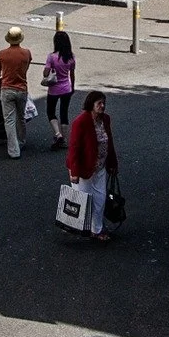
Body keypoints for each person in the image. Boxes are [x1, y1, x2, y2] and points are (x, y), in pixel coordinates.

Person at [66, 90, 120, 243]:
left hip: (100, 167)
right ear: (91, 105)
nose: (102, 106)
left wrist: (112, 163)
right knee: (84, 200)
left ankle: (96, 229)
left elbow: (109, 143)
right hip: (84, 168)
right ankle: (82, 227)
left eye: (103, 103)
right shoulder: (81, 122)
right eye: (99, 103)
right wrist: (74, 172)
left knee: (100, 198)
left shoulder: (105, 120)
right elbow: (74, 148)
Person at [0, 26, 33, 159]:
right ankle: (22, 141)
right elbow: (26, 68)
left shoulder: (2, 54)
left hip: (7, 89)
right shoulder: (26, 53)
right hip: (22, 88)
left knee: (9, 120)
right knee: (20, 117)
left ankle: (14, 150)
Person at [41, 30, 76, 151]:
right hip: (66, 88)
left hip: (54, 89)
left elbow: (45, 73)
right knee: (64, 113)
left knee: (50, 112)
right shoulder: (71, 57)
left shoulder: (52, 57)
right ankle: (64, 140)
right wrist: (73, 87)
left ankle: (58, 134)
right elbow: (72, 74)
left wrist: (49, 70)